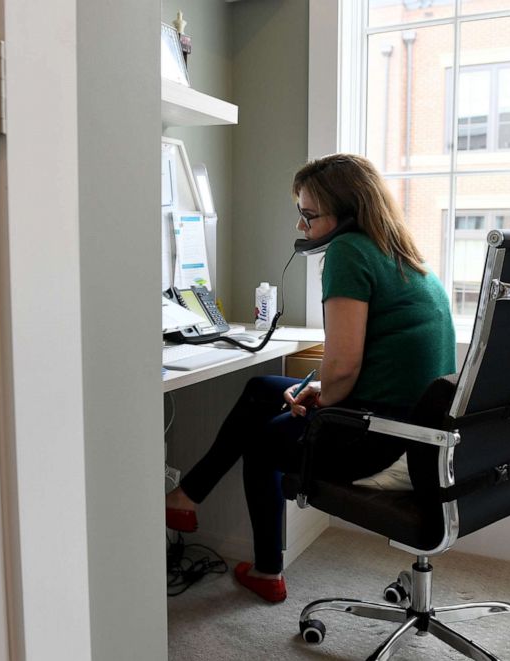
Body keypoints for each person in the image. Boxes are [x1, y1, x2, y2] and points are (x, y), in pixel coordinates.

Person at [165, 153, 456, 603]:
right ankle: (188, 496)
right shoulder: (399, 254)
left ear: (346, 213)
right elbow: (370, 360)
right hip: (411, 425)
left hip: (379, 434)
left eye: (308, 215)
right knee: (263, 389)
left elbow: (342, 367)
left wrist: (325, 396)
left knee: (262, 444)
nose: (301, 227)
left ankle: (266, 571)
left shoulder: (348, 251)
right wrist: (322, 391)